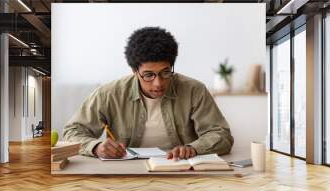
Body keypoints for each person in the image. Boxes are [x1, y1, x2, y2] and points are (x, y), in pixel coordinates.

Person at [63, 26, 233, 160]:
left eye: (165, 72)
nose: (158, 83)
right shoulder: (109, 93)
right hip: (125, 171)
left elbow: (221, 134)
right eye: (148, 75)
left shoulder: (194, 90)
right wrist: (96, 147)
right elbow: (72, 132)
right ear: (134, 71)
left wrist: (193, 148)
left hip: (178, 169)